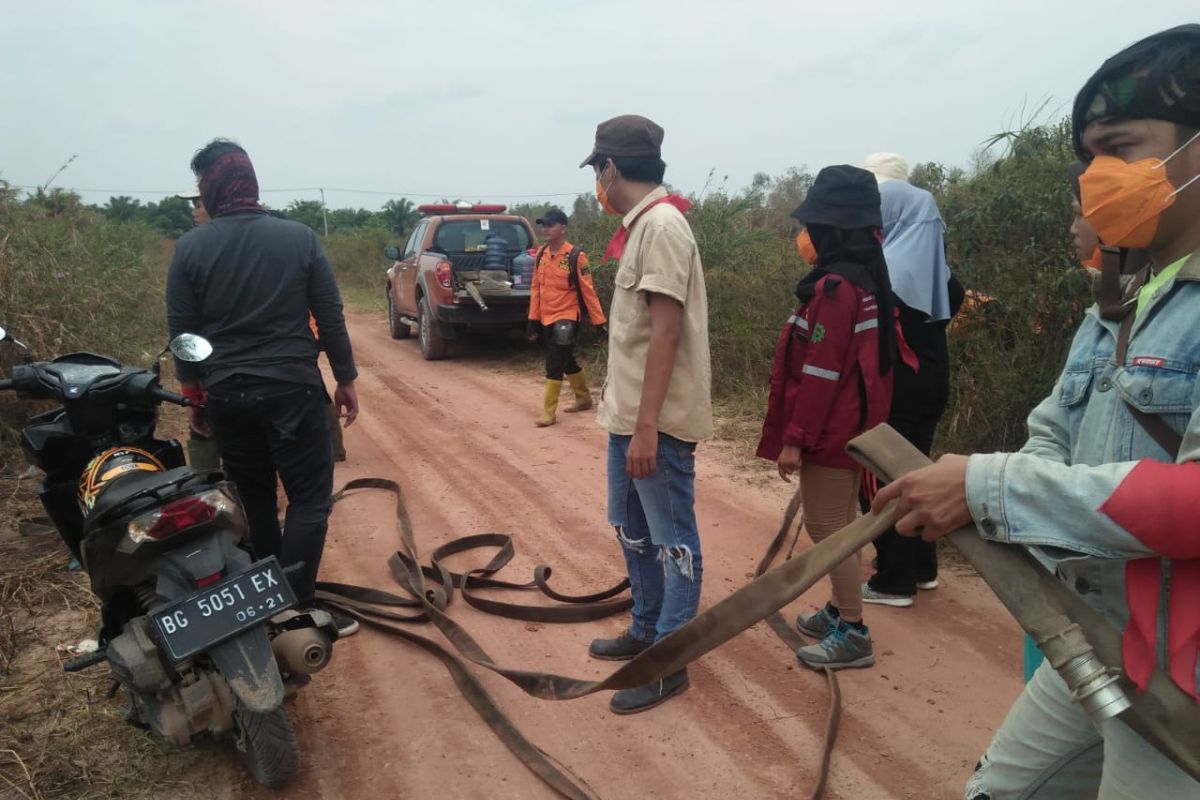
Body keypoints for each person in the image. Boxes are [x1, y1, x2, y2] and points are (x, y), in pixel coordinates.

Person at [873, 25, 1200, 798]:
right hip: (1095, 637)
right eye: (1089, 159)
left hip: (1183, 673)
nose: (1097, 179)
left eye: (1122, 148)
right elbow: (1056, 429)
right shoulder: (1121, 296)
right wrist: (977, 490)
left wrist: (989, 489)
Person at [166, 139, 360, 637]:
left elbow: (184, 335)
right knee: (310, 502)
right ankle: (296, 607)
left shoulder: (189, 248)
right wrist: (345, 379)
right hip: (293, 389)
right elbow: (331, 317)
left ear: (210, 189)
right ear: (249, 180)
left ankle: (268, 607)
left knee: (255, 501)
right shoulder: (299, 239)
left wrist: (193, 396)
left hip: (228, 395)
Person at [578, 115, 713, 714]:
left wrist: (648, 427)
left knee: (672, 540)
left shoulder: (662, 227)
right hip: (627, 416)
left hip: (651, 424)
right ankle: (646, 626)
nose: (597, 185)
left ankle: (668, 661)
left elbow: (665, 334)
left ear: (609, 168)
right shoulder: (644, 226)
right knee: (631, 529)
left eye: (597, 172)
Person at [757, 165, 908, 670]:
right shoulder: (864, 280)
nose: (805, 235)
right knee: (843, 521)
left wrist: (795, 439)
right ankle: (842, 610)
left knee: (829, 530)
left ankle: (853, 630)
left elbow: (820, 374)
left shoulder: (837, 290)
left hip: (831, 431)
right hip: (851, 427)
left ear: (831, 230)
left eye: (812, 225)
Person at [858, 153, 964, 607]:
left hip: (896, 387)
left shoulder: (886, 272)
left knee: (887, 478)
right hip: (932, 382)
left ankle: (893, 579)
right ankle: (922, 569)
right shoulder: (937, 271)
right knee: (918, 470)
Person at [525, 207, 608, 427]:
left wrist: (600, 322)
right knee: (565, 358)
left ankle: (548, 412)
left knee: (554, 362)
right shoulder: (541, 255)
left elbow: (588, 291)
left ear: (563, 229)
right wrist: (532, 320)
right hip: (546, 316)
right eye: (543, 225)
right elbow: (536, 288)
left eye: (550, 225)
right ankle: (583, 398)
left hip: (568, 316)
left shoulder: (576, 257)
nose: (545, 229)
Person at [175, 187, 221, 474]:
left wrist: (191, 392)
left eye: (199, 203)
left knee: (205, 428)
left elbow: (182, 325)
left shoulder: (190, 249)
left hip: (217, 371)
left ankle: (210, 495)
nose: (195, 210)